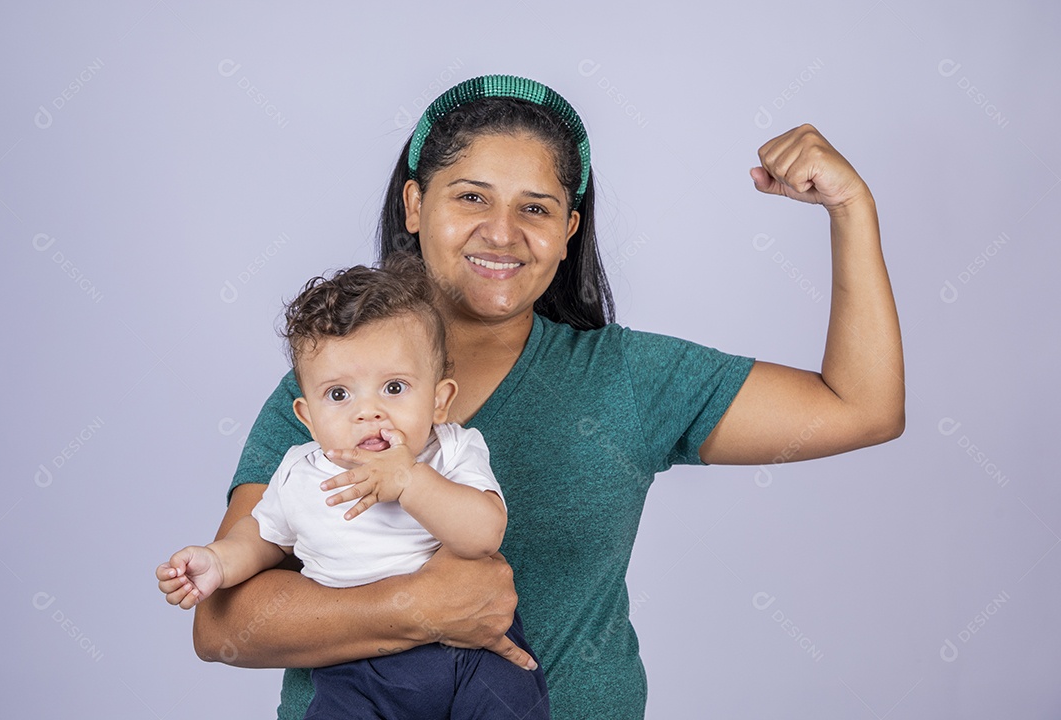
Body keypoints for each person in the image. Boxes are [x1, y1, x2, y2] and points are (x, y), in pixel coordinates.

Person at [184, 75, 905, 719]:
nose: (501, 233)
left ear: (567, 232)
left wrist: (851, 208)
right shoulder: (329, 395)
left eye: (535, 208)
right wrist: (421, 609)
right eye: (471, 197)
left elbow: (862, 407)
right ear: (413, 204)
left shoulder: (629, 378)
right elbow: (222, 627)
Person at [156, 258, 549, 719]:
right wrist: (218, 561)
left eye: (395, 387)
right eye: (340, 395)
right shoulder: (299, 472)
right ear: (307, 416)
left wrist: (410, 480)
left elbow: (484, 535)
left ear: (440, 401)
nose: (368, 412)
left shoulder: (451, 451)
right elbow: (262, 537)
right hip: (356, 668)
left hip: (473, 655)